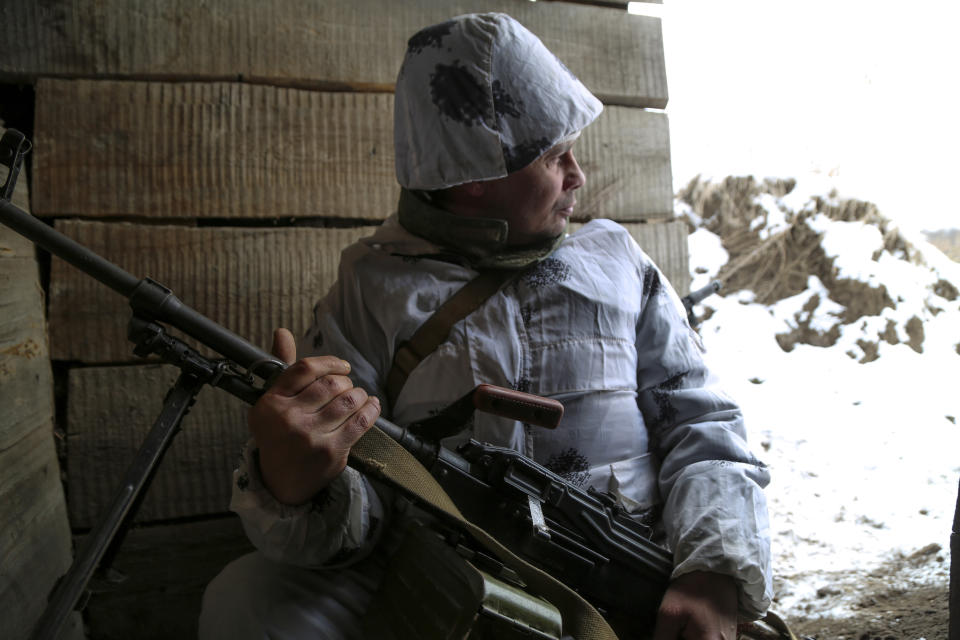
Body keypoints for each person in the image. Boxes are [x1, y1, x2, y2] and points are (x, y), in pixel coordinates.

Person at [200, 12, 771, 640]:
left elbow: (702, 423)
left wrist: (710, 574)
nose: (578, 175)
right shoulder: (372, 287)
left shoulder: (617, 264)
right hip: (442, 575)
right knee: (248, 601)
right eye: (555, 156)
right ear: (473, 176)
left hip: (622, 573)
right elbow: (365, 510)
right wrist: (296, 479)